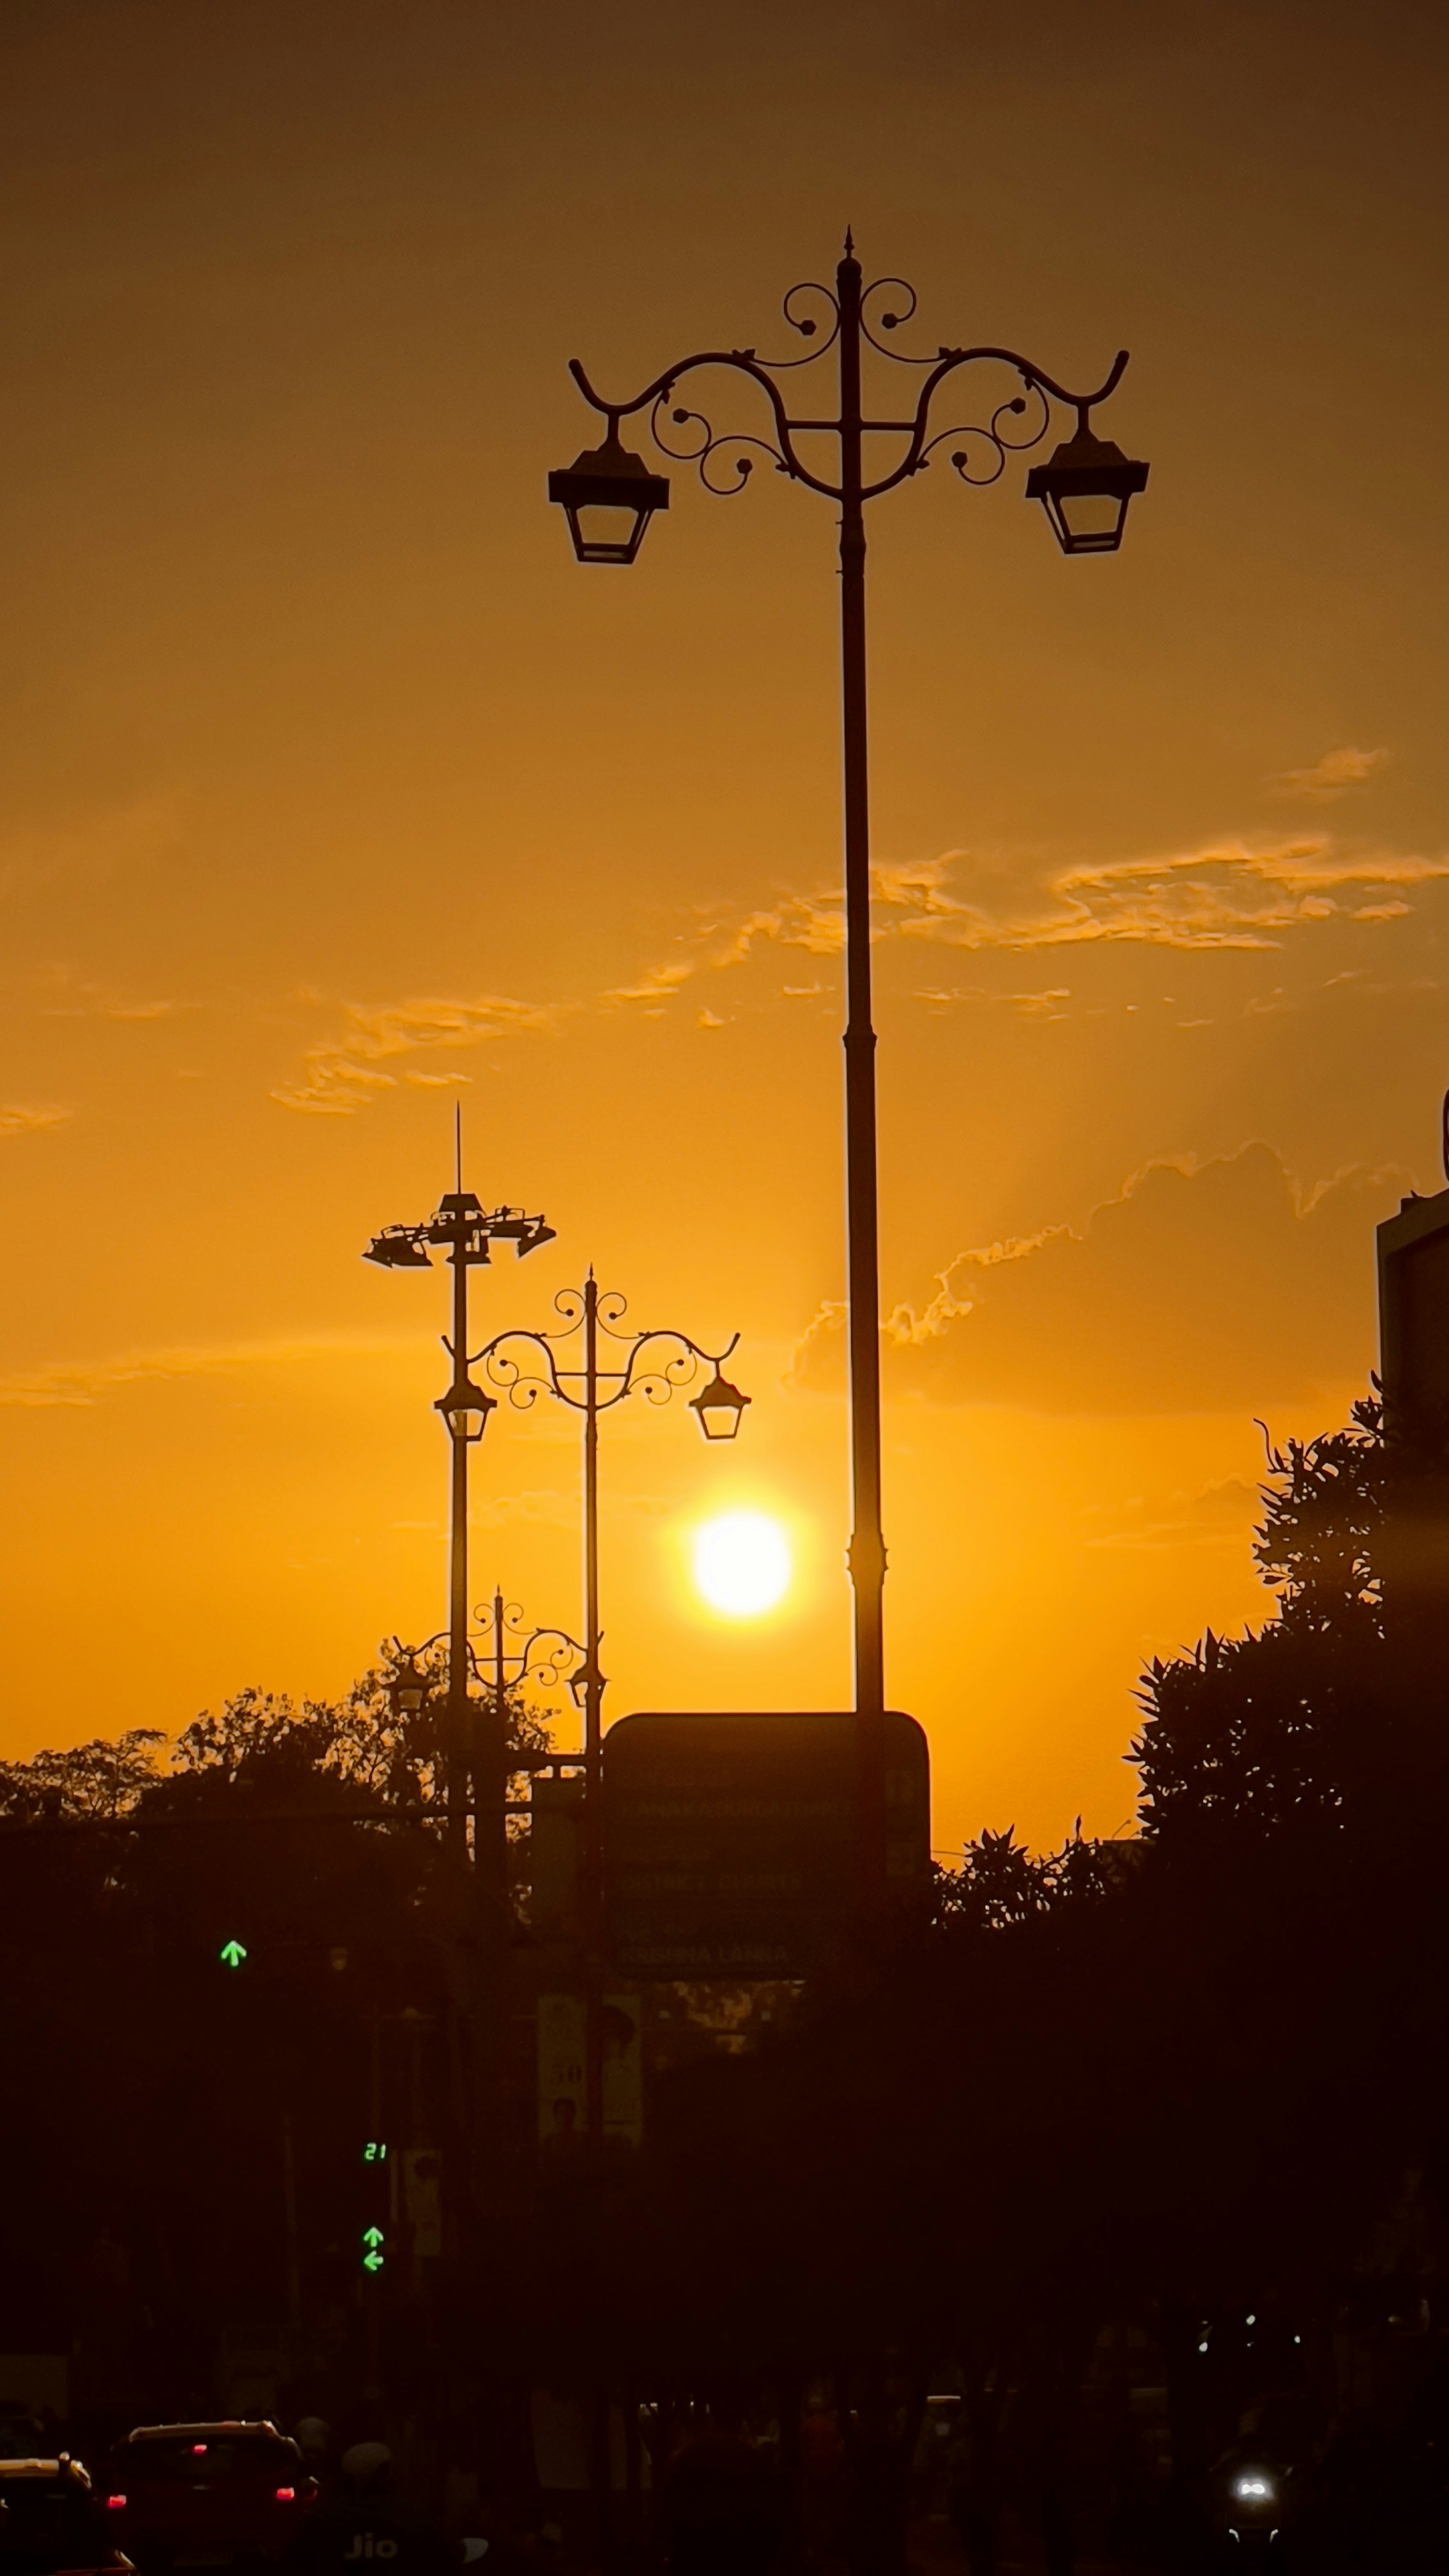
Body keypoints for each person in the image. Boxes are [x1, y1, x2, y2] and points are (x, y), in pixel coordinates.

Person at [289, 2443, 459, 2576]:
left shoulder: (320, 2521)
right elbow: (444, 2565)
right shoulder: (417, 2519)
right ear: (387, 2473)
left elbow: (299, 2565)